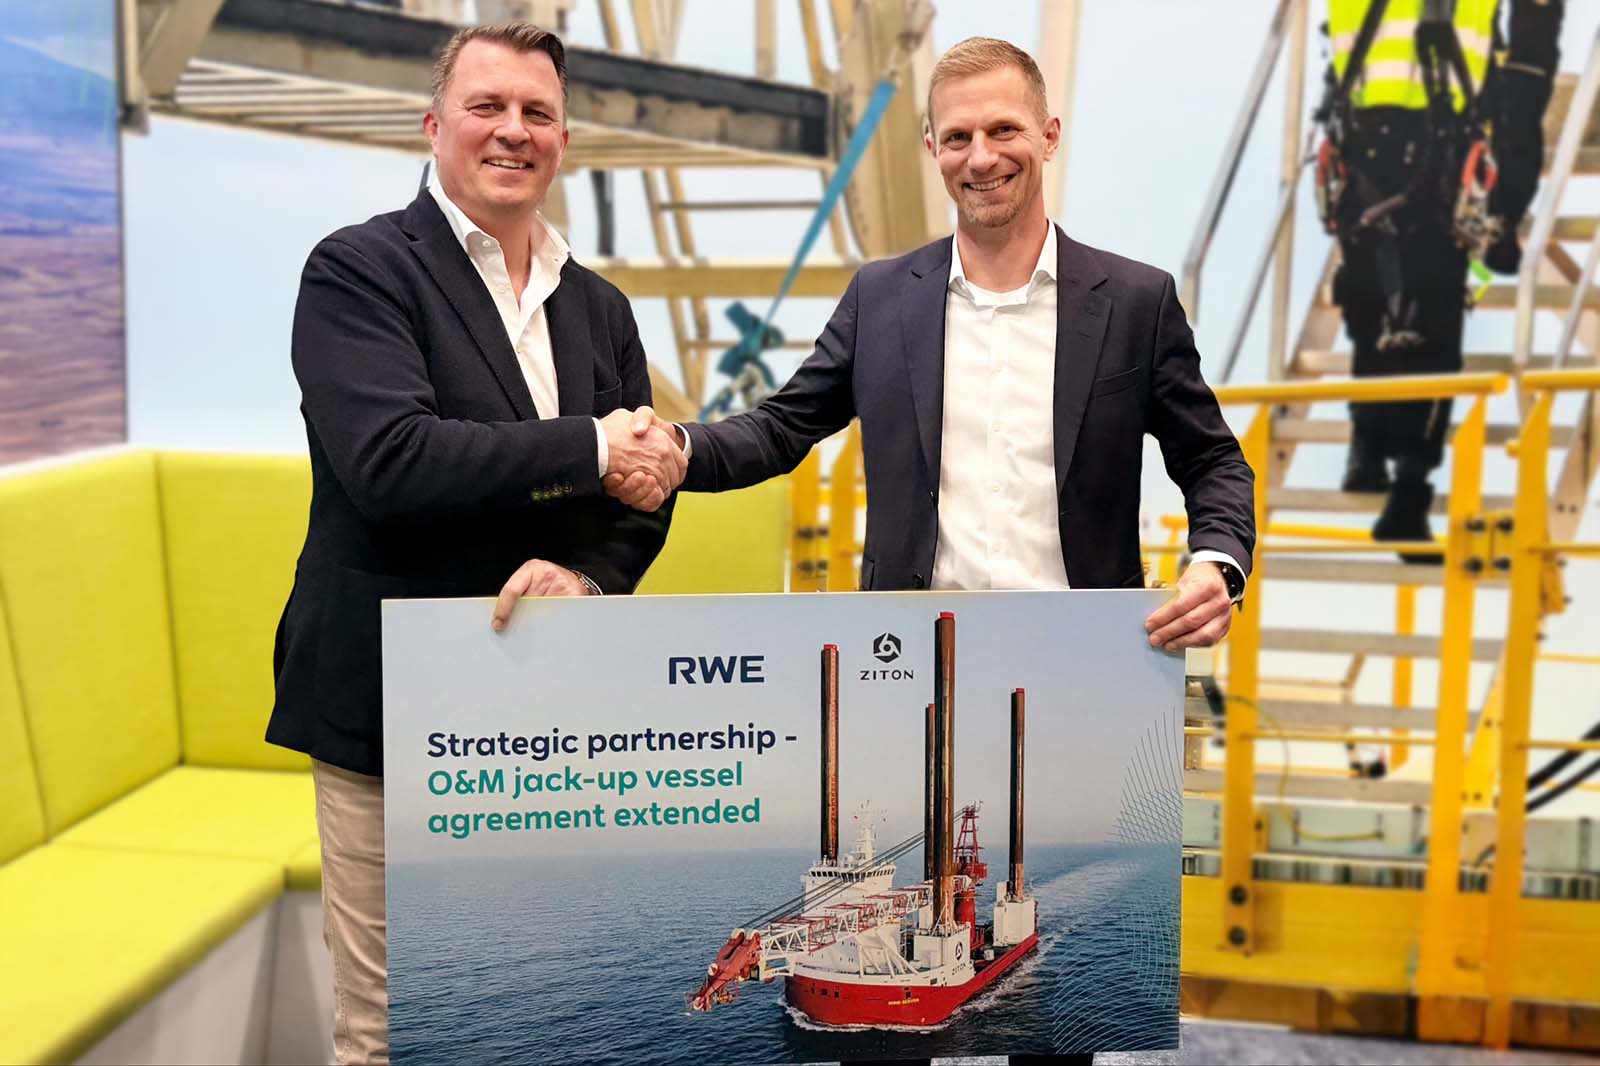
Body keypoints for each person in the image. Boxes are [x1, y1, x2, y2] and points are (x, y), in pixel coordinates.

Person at [607, 35, 1257, 1065]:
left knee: (1055, 1038)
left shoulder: (1131, 302)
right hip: (909, 669)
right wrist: (679, 448)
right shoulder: (881, 296)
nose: (980, 154)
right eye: (956, 136)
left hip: (1072, 670)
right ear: (930, 149)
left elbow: (1215, 465)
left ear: (1046, 134)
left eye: (1003, 129)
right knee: (879, 1023)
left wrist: (1215, 565)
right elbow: (782, 426)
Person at [265, 23, 683, 1064]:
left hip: (552, 723)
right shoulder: (358, 272)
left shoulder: (600, 307)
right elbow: (392, 462)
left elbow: (641, 489)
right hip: (389, 714)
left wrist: (586, 570)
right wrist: (589, 445)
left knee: (539, 1015)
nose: (513, 131)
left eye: (536, 112)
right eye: (487, 107)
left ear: (563, 137)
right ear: (434, 124)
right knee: (392, 1029)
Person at [1322, 0, 1561, 556]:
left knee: (1371, 300)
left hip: (1366, 141)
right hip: (1435, 140)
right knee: (1432, 325)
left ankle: (1368, 446)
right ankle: (1407, 489)